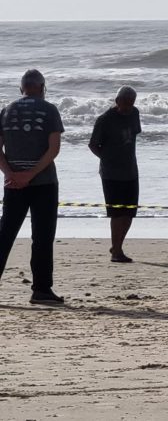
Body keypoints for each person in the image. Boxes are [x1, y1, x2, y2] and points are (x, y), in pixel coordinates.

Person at [0, 70, 65, 304]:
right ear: (42, 87)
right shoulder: (49, 110)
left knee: (5, 234)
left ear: (22, 88)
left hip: (13, 183)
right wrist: (31, 174)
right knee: (42, 236)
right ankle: (41, 289)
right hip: (44, 182)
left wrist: (11, 174)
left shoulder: (7, 111)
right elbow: (54, 149)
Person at [89, 86, 141, 263]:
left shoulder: (135, 114)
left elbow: (134, 136)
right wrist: (107, 159)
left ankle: (117, 245)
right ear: (117, 100)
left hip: (131, 171)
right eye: (124, 103)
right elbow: (93, 145)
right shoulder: (105, 120)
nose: (127, 107)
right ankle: (116, 251)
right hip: (111, 173)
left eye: (131, 103)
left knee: (129, 213)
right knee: (117, 213)